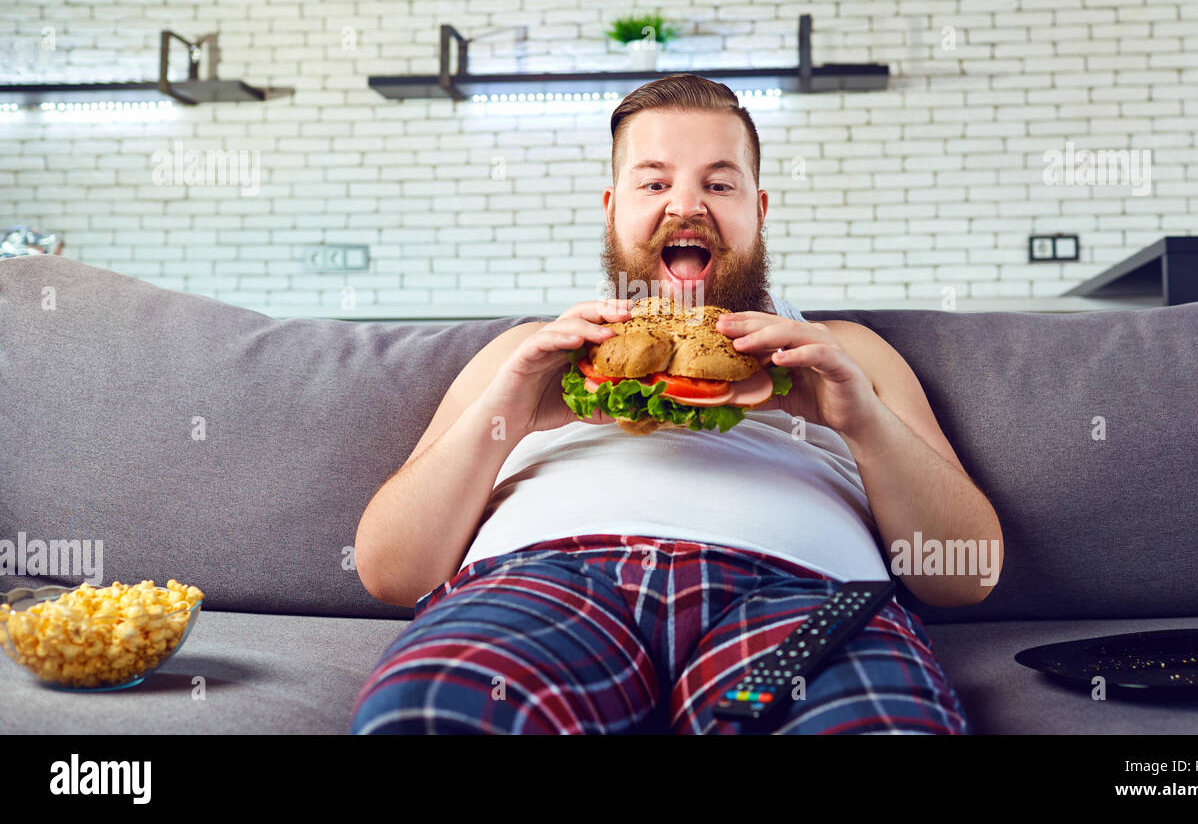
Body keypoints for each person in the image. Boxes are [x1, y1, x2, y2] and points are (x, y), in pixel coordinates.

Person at [349, 74, 1003, 734]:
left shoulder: (846, 351)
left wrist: (858, 420)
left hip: (800, 599)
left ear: (760, 209)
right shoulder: (527, 352)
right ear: (611, 208)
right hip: (542, 583)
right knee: (431, 716)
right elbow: (392, 572)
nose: (685, 207)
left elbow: (964, 574)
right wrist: (510, 414)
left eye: (719, 185)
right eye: (654, 183)